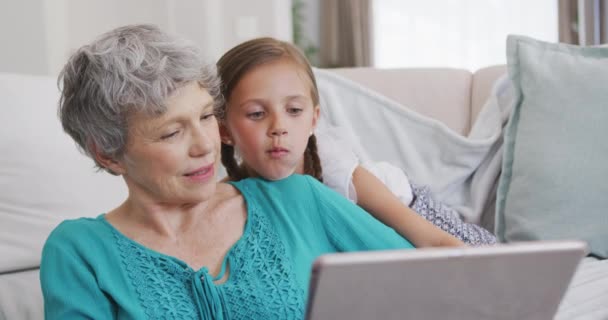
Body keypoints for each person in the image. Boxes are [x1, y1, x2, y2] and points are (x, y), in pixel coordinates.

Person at [40, 24, 416, 319]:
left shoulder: (298, 198)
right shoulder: (80, 252)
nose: (205, 145)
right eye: (172, 132)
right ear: (108, 154)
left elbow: (430, 288)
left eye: (205, 116)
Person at [216, 37, 496, 247]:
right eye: (256, 114)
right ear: (224, 131)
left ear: (314, 120)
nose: (278, 127)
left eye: (294, 111)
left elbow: (435, 241)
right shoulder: (228, 195)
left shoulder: (339, 173)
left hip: (413, 209)